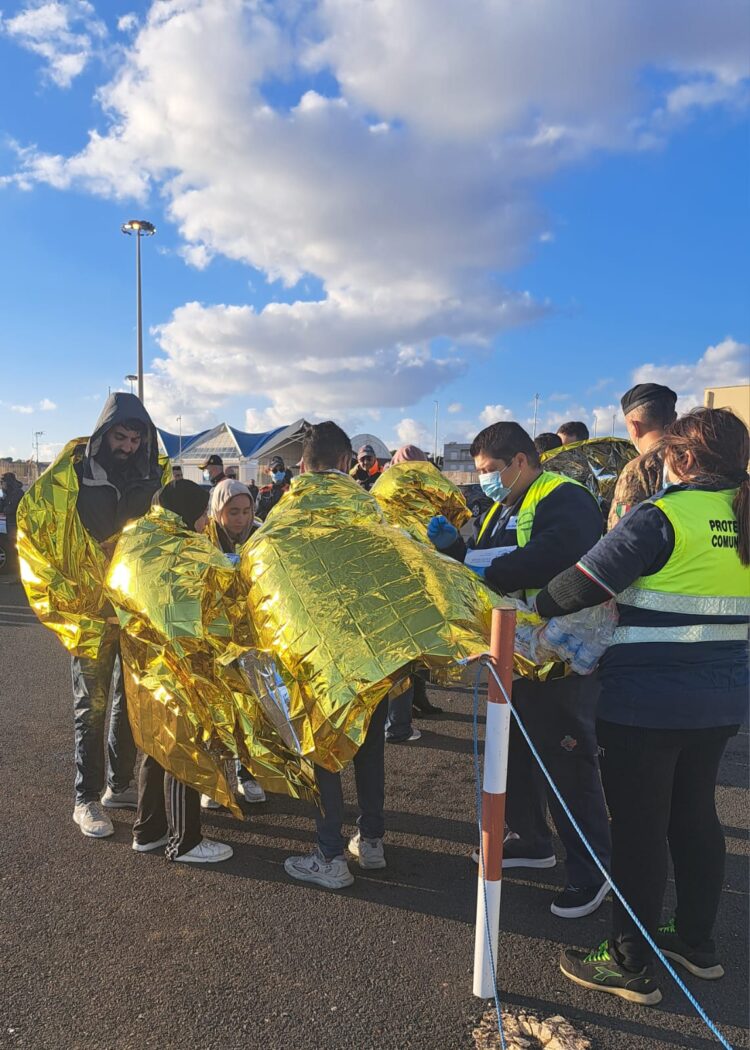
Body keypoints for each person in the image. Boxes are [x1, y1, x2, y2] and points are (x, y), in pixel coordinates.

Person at [536, 407, 749, 1005]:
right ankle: (696, 943)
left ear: (683, 458)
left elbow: (576, 587)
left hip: (645, 706)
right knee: (695, 816)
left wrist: (538, 602)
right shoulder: (742, 515)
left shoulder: (662, 516)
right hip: (721, 700)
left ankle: (629, 963)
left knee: (638, 831)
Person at [427, 421, 611, 918]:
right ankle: (530, 839)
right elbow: (488, 558)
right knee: (517, 753)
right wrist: (456, 552)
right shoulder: (505, 504)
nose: (485, 480)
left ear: (520, 462)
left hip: (560, 660)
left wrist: (479, 569)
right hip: (519, 654)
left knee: (567, 764)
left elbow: (550, 558)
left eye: (490, 470)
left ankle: (592, 870)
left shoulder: (564, 497)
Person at [284, 422, 389, 890]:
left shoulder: (288, 511)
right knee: (370, 750)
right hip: (374, 651)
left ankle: (329, 855)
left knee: (324, 753)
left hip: (318, 653)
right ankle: (372, 840)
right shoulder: (369, 506)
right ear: (347, 462)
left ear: (303, 464)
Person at [73, 394, 164, 837]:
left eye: (135, 439)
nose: (127, 447)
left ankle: (118, 785)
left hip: (134, 609)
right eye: (120, 437)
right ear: (103, 435)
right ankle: (85, 798)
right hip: (91, 610)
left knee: (131, 701)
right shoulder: (76, 476)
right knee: (90, 706)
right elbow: (48, 532)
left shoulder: (152, 477)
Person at [131, 479, 234, 863]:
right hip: (180, 664)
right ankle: (185, 841)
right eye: (202, 514)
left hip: (145, 664)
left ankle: (148, 830)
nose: (206, 522)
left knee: (156, 747)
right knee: (183, 748)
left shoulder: (139, 539)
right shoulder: (184, 549)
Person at [205, 478, 266, 807]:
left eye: (246, 511)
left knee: (251, 708)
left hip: (252, 635)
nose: (241, 518)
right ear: (218, 511)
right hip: (215, 636)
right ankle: (215, 780)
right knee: (215, 708)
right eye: (233, 512)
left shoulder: (260, 535)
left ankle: (248, 774)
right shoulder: (205, 539)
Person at [608, 382, 677, 530]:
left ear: (634, 427)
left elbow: (621, 533)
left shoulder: (639, 468)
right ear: (675, 418)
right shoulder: (697, 459)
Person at [0, 471, 24, 565]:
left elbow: (10, 509)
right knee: (12, 544)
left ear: (8, 482)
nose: (2, 484)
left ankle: (16, 565)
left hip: (16, 523)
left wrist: (5, 508)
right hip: (10, 523)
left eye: (3, 482)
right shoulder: (8, 493)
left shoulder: (17, 493)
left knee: (15, 544)